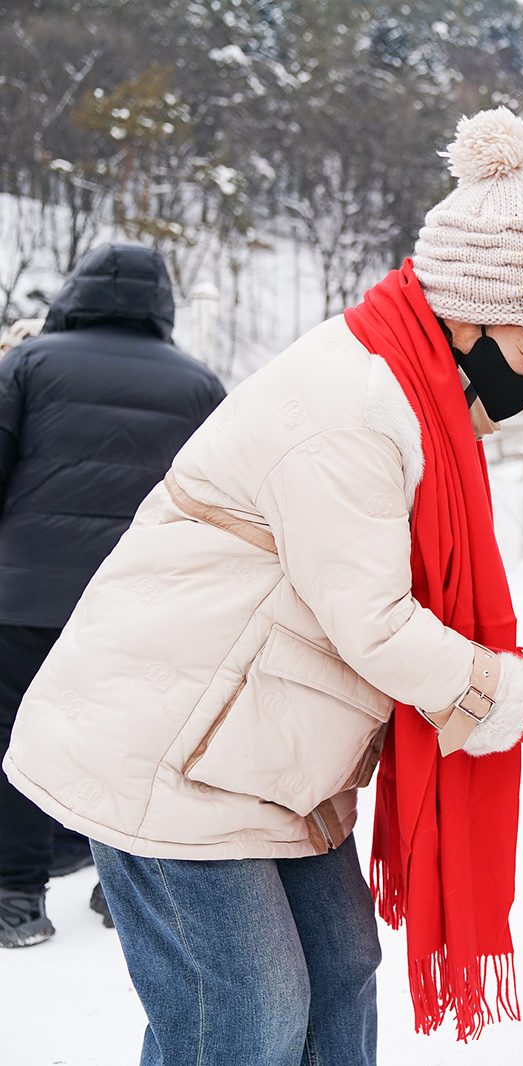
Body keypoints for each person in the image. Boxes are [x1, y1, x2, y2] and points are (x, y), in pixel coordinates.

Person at [3, 108, 523, 1064]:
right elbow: (376, 623)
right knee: (244, 1014)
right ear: (477, 311)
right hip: (172, 748)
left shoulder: (410, 390)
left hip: (261, 750)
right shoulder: (355, 405)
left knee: (341, 964)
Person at [0, 245, 226, 949]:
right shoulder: (199, 385)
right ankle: (115, 887)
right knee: (126, 741)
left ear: (76, 292)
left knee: (16, 736)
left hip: (24, 592)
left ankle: (15, 897)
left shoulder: (27, 363)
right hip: (141, 604)